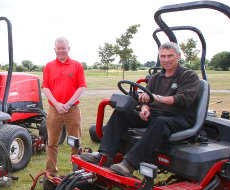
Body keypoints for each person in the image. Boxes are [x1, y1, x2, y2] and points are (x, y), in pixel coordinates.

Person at [82, 41, 200, 176]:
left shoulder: (189, 76)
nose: (166, 60)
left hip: (179, 117)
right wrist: (145, 108)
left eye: (170, 56)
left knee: (159, 122)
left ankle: (129, 164)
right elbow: (146, 98)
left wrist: (158, 98)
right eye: (163, 56)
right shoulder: (156, 78)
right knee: (122, 113)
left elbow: (183, 99)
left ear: (178, 56)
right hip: (156, 114)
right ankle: (106, 154)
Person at [41, 37, 87, 176]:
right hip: (54, 109)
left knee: (76, 142)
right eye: (58, 48)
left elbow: (81, 87)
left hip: (72, 109)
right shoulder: (49, 66)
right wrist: (57, 104)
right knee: (52, 143)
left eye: (63, 48)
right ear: (54, 49)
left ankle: (77, 172)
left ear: (68, 48)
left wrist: (68, 104)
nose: (60, 51)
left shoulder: (77, 65)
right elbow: (45, 87)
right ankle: (51, 173)